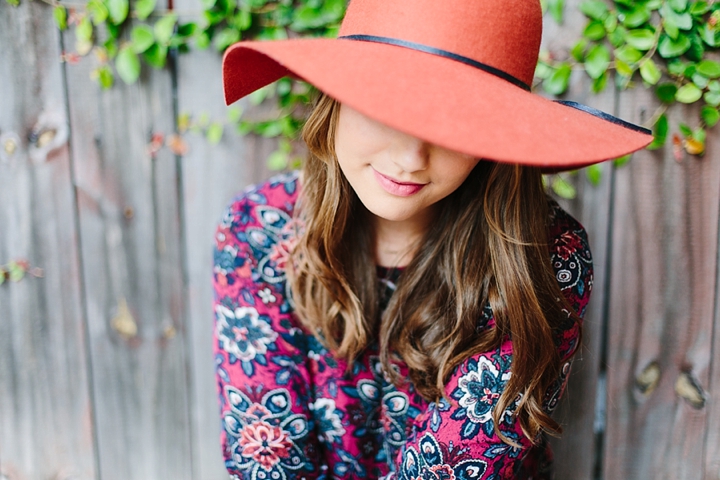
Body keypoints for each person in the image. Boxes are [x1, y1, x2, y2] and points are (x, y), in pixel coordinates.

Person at [213, 0, 653, 479]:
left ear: (495, 138)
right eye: (387, 109)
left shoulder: (543, 258)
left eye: (454, 125)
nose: (409, 158)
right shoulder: (258, 230)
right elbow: (268, 457)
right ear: (335, 98)